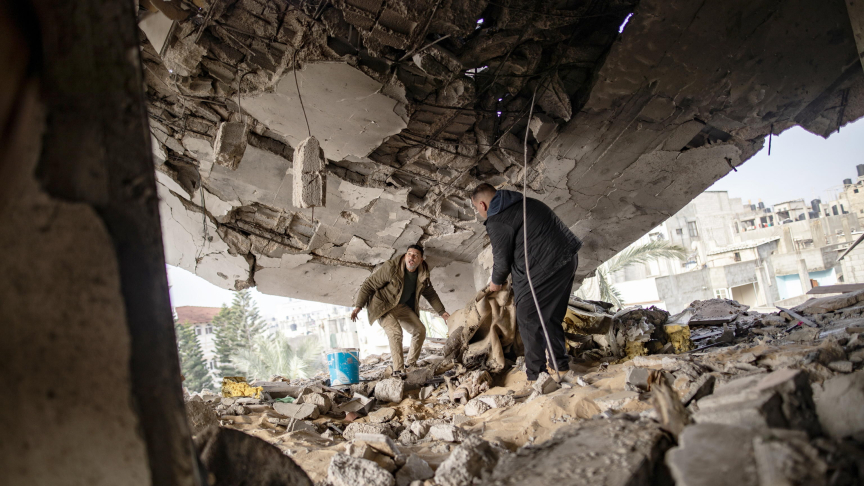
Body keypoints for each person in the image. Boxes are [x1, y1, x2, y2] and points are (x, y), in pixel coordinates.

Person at [470, 183, 582, 383]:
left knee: (528, 318)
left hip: (545, 267)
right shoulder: (524, 202)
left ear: (482, 205)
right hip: (568, 258)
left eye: (477, 209)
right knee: (550, 317)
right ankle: (560, 366)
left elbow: (502, 261)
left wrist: (495, 283)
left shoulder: (497, 220)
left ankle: (537, 376)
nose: (479, 213)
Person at [351, 245, 450, 376]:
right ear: (405, 256)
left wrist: (442, 312)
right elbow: (368, 285)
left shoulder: (423, 273)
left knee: (419, 330)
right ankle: (398, 371)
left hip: (401, 306)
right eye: (409, 254)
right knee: (395, 332)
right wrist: (358, 306)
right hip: (383, 306)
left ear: (421, 260)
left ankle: (411, 364)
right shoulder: (391, 267)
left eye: (415, 255)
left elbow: (430, 293)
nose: (411, 257)